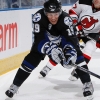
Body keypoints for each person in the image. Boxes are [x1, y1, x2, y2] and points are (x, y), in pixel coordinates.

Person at [5, 0, 94, 100]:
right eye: (49, 14)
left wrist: (69, 52)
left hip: (62, 41)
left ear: (60, 11)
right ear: (45, 12)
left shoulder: (66, 19)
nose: (53, 17)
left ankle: (87, 83)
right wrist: (49, 48)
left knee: (78, 56)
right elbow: (39, 38)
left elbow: (69, 39)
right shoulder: (38, 17)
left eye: (56, 14)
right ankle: (14, 86)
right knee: (31, 58)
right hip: (45, 41)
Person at [39, 0, 100, 81]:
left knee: (89, 48)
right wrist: (74, 24)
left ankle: (78, 71)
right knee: (65, 46)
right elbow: (73, 11)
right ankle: (48, 67)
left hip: (93, 33)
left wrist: (98, 35)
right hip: (76, 29)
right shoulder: (84, 1)